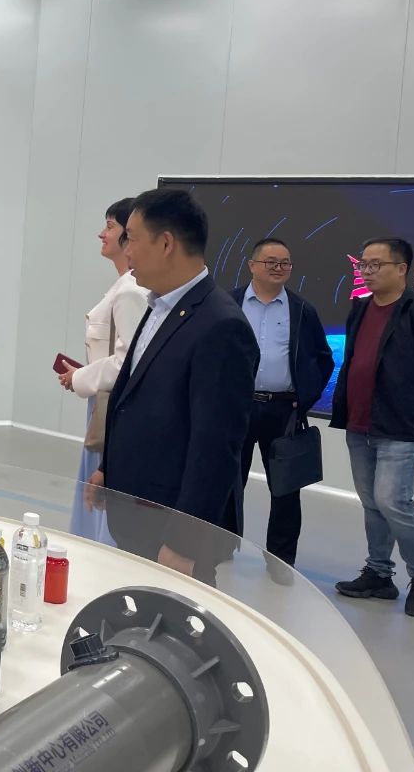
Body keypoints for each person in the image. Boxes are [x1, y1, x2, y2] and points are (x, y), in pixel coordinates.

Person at [88, 189, 259, 584]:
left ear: (166, 244)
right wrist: (109, 469)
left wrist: (185, 543)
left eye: (131, 238)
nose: (126, 249)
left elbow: (216, 448)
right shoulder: (159, 306)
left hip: (171, 530)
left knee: (171, 619)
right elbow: (136, 400)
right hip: (137, 510)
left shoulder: (220, 326)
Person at [330, 237, 414, 617]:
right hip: (359, 423)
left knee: (393, 501)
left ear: (401, 268)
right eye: (364, 265)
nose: (367, 272)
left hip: (402, 427)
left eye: (376, 264)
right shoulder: (359, 309)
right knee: (372, 503)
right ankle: (379, 574)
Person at [230, 237, 334, 577]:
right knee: (228, 481)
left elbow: (323, 359)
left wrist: (304, 398)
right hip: (237, 407)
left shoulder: (302, 310)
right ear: (252, 265)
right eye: (270, 261)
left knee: (286, 488)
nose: (278, 268)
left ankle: (281, 561)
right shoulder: (229, 303)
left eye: (285, 263)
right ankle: (221, 546)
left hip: (283, 410)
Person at [58, 198, 148, 543]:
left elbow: (127, 362)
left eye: (110, 226)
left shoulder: (130, 291)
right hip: (101, 404)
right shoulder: (122, 286)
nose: (102, 234)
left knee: (101, 496)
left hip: (111, 408)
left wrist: (80, 378)